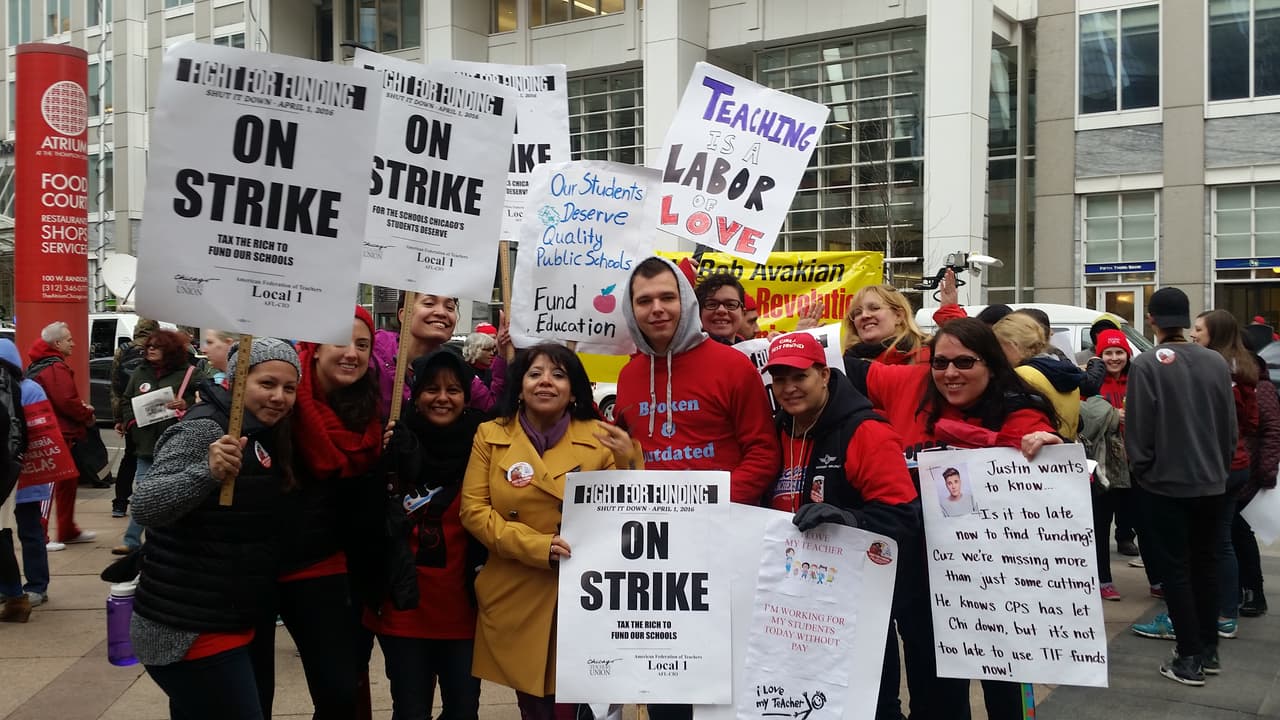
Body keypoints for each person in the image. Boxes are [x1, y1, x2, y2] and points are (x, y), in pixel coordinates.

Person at [845, 317, 1062, 720]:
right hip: (923, 580)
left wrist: (1048, 445)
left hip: (997, 583)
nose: (949, 373)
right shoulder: (910, 385)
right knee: (933, 696)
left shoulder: (1019, 409)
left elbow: (1046, 459)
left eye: (965, 363)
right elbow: (834, 367)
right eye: (940, 363)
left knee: (1007, 693)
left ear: (992, 365)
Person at [460, 343, 639, 720]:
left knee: (578, 706)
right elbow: (474, 512)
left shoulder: (604, 439)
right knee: (534, 706)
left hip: (584, 594)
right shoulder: (490, 435)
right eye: (535, 373)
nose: (546, 382)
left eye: (559, 375)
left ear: (574, 390)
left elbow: (630, 512)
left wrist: (631, 460)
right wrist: (537, 547)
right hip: (515, 589)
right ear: (520, 385)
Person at [129, 338, 300, 720]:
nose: (279, 397)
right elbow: (145, 504)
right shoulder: (205, 429)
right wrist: (206, 472)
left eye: (289, 388)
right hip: (188, 630)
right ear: (237, 382)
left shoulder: (266, 433)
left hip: (228, 618)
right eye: (267, 384)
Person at [760, 331, 919, 720]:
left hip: (853, 605)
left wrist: (848, 520)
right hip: (786, 604)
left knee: (872, 707)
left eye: (800, 376)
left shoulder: (865, 431)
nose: (789, 388)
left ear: (825, 375)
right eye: (779, 379)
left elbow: (904, 517)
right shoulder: (775, 430)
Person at [251, 306, 384, 719]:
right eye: (341, 341)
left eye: (363, 345)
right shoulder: (277, 400)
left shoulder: (373, 409)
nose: (352, 353)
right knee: (254, 697)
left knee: (339, 690)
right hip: (256, 568)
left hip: (322, 565)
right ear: (315, 348)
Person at [1126, 288, 1236, 685]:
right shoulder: (1215, 362)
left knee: (1176, 570)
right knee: (1205, 565)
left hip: (1165, 483)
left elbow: (1140, 427)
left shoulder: (1146, 364)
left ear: (1152, 320)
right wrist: (1219, 467)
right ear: (1186, 320)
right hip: (1211, 480)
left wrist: (1144, 470)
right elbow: (1229, 425)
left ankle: (1188, 656)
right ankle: (1207, 649)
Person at [371, 348, 487, 720]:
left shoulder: (485, 448)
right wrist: (387, 459)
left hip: (464, 615)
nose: (442, 398)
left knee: (463, 711)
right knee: (410, 711)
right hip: (405, 613)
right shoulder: (393, 442)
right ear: (415, 395)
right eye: (431, 389)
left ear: (467, 398)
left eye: (453, 389)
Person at [615, 256, 780, 506]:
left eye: (668, 298)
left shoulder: (734, 366)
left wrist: (714, 503)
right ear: (631, 309)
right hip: (651, 526)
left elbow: (763, 453)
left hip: (720, 524)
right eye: (644, 301)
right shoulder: (628, 376)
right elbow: (620, 450)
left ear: (686, 302)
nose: (657, 308)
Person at [1189, 309, 1258, 641]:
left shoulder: (1217, 373)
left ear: (1214, 334)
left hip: (1216, 467)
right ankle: (1226, 613)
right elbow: (1251, 423)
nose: (1193, 334)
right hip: (1236, 464)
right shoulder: (1241, 368)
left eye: (1199, 329)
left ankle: (1212, 614)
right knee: (1222, 541)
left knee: (1207, 543)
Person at [113, 329, 201, 556]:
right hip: (145, 445)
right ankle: (132, 540)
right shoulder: (140, 371)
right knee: (144, 492)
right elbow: (126, 400)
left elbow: (206, 400)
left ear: (170, 350)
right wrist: (129, 422)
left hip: (176, 444)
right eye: (149, 346)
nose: (150, 349)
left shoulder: (190, 373)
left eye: (156, 346)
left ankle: (165, 541)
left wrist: (186, 404)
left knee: (171, 495)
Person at [372, 295, 510, 422]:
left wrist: (503, 353)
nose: (441, 313)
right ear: (403, 315)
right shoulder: (372, 353)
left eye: (450, 307)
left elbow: (493, 409)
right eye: (429, 303)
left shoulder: (456, 368)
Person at [26, 321, 97, 548]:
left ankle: (66, 530)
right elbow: (66, 401)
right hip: (56, 432)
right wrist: (86, 413)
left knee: (68, 479)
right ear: (57, 343)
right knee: (51, 484)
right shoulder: (55, 368)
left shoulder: (41, 365)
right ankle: (43, 535)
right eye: (69, 340)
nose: (73, 344)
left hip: (51, 429)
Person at [1079, 329, 1134, 602]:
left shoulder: (1137, 379)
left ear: (1128, 354)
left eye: (1119, 352)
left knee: (1143, 522)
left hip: (1134, 463)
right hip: (1102, 465)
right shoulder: (1091, 382)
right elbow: (1083, 420)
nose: (1114, 358)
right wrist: (1113, 415)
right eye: (1108, 353)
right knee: (1100, 525)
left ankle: (1158, 579)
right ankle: (1103, 580)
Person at [1237, 328, 1280, 617]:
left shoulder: (1260, 386)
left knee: (1239, 531)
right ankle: (1243, 588)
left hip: (1248, 472)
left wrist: (1266, 472)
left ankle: (1255, 591)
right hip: (1237, 468)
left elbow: (1271, 431)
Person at [993, 312, 1083, 440]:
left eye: (998, 346)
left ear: (1013, 344)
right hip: (1061, 452)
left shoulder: (1022, 376)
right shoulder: (1066, 372)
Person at [109, 318, 159, 518]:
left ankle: (120, 503)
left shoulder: (123, 350)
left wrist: (119, 418)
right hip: (155, 409)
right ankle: (151, 501)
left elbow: (115, 386)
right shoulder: (157, 348)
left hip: (131, 413)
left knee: (129, 456)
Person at [694, 273, 748, 344]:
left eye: (730, 304)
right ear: (699, 312)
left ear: (743, 313)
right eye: (712, 304)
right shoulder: (683, 352)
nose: (721, 310)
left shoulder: (754, 352)